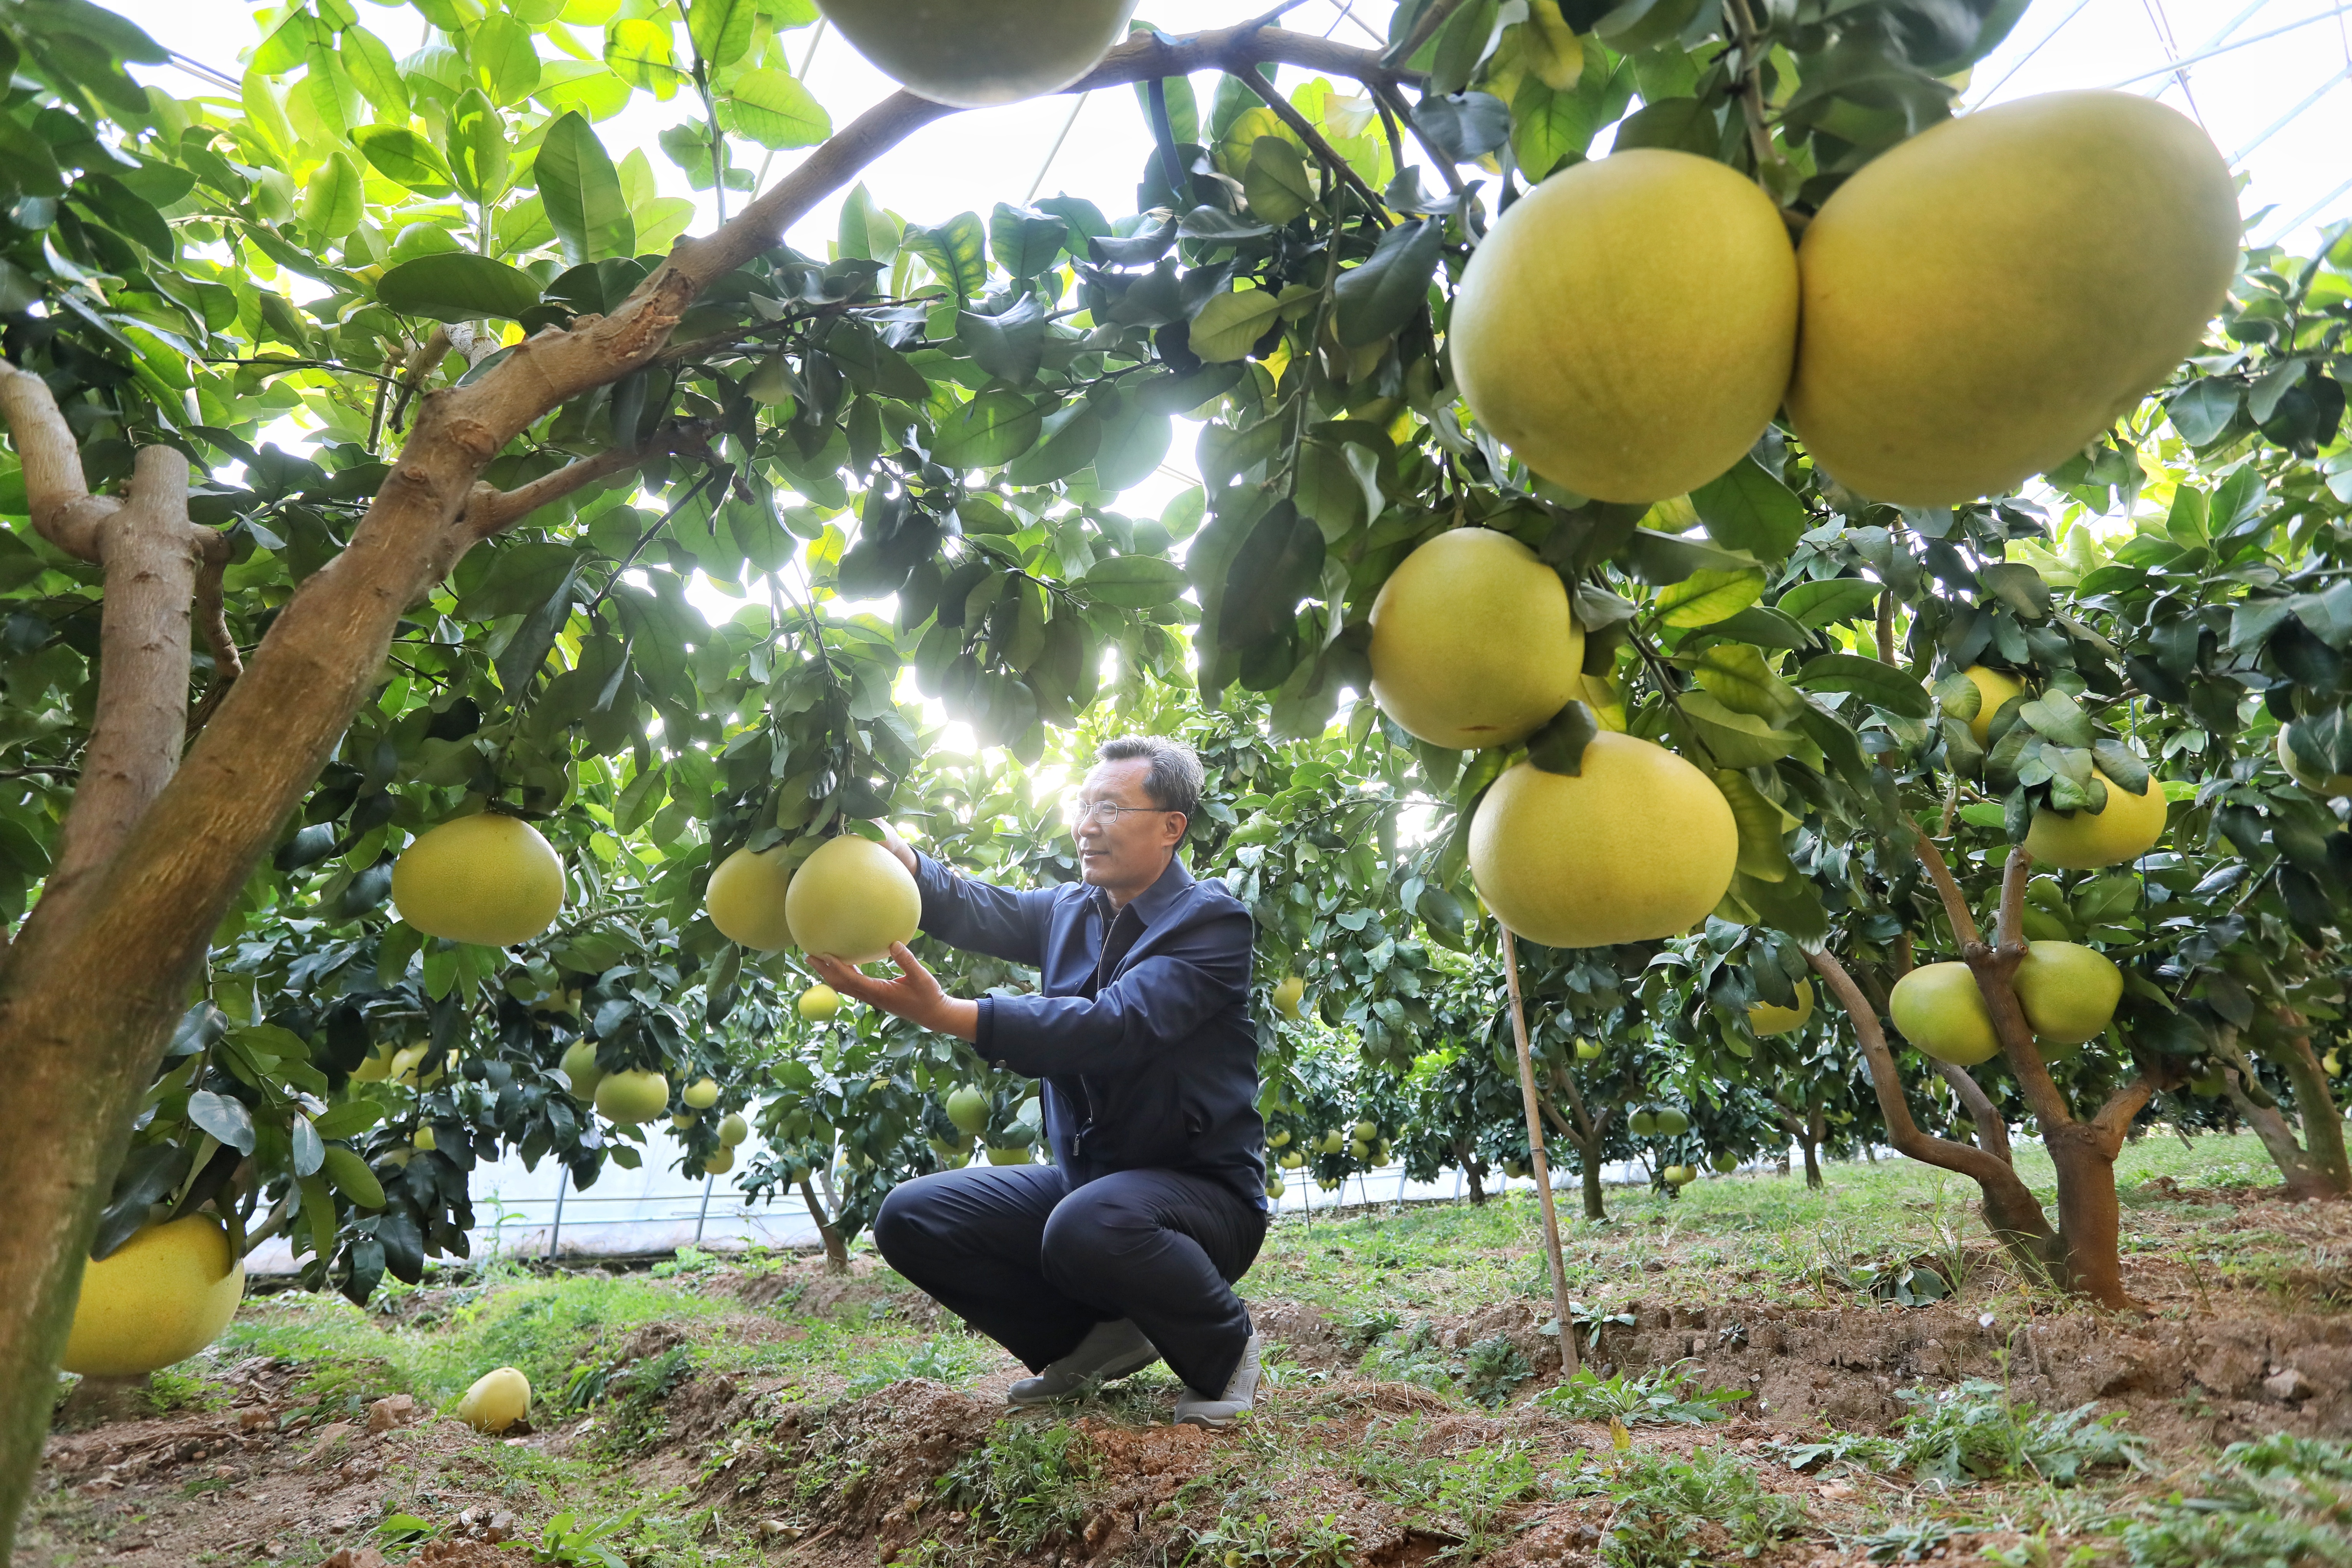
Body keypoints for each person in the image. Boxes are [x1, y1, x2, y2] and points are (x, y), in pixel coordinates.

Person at [805, 735, 1266, 1426]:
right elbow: (972, 907)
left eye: (1111, 808)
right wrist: (902, 858)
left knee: (1087, 1223)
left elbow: (1114, 1026)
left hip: (1203, 1200)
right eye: (1083, 806)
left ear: (1172, 826)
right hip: (1093, 1185)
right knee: (910, 1217)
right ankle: (1091, 1340)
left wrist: (950, 1013)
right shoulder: (1068, 911)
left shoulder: (1212, 921)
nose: (1087, 825)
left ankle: (1224, 1351)